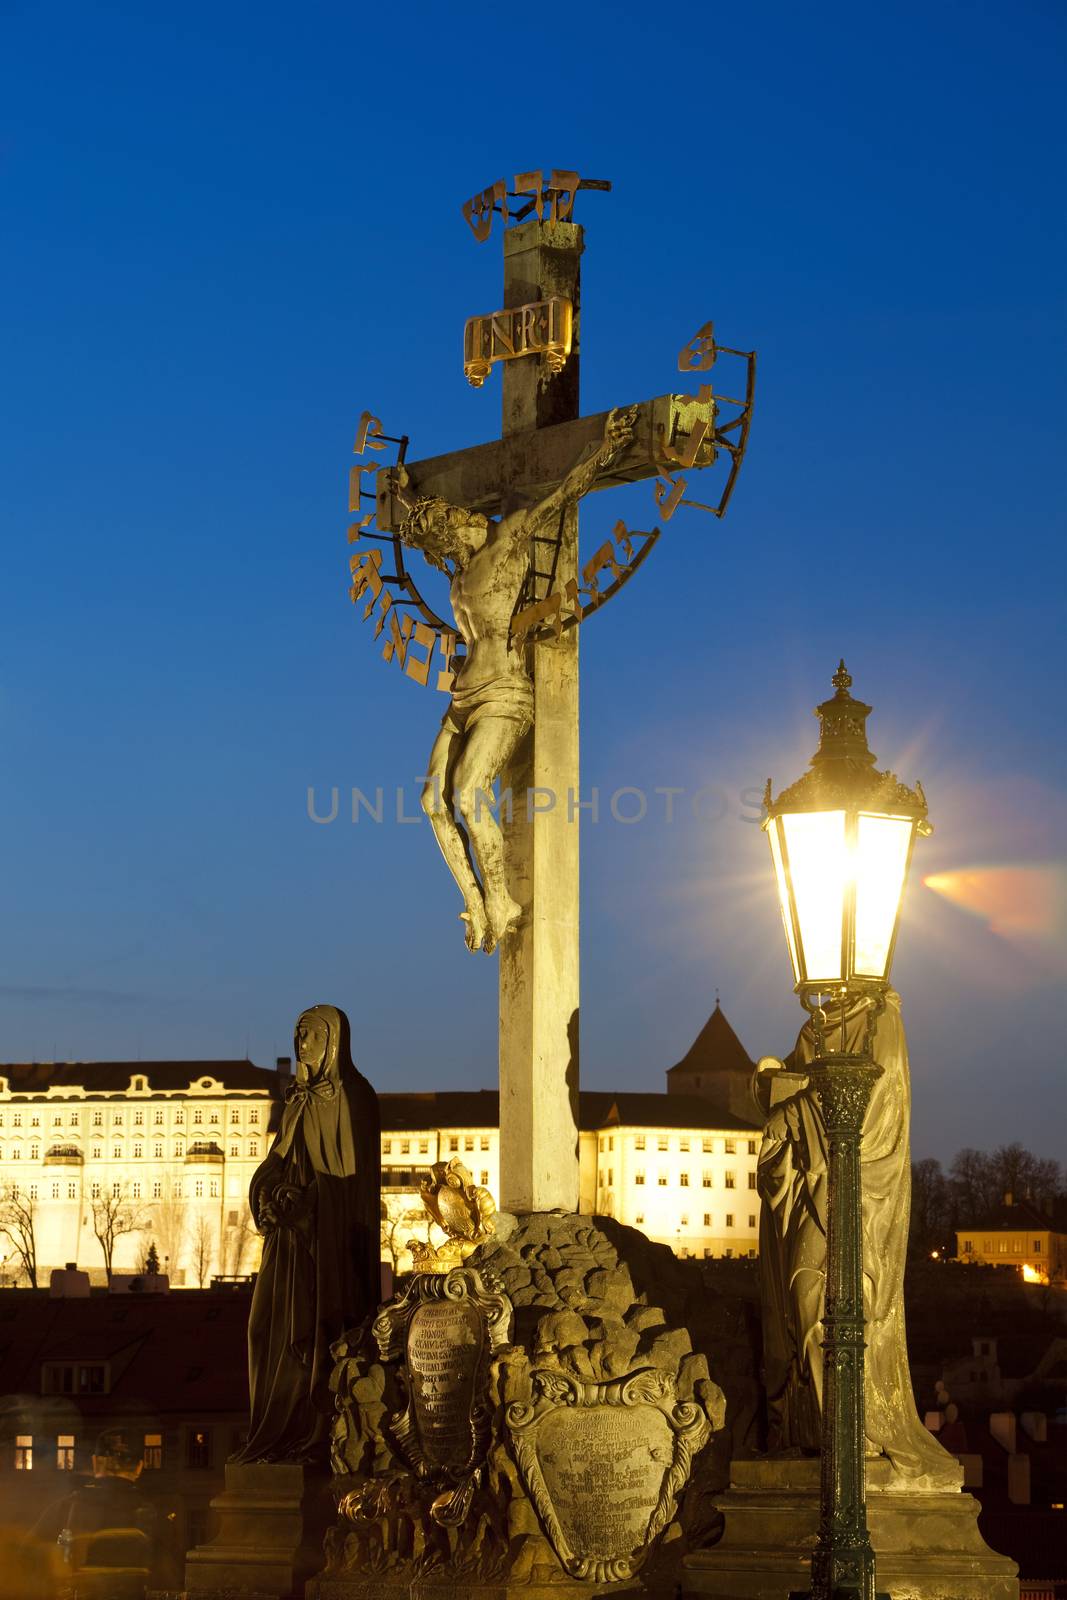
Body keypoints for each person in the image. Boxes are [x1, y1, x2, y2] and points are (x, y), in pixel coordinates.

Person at [403, 406, 637, 954]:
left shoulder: (507, 540)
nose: (449, 541)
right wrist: (407, 497)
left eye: (448, 530)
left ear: (460, 522)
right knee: (430, 800)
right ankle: (478, 902)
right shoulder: (456, 571)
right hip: (464, 694)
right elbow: (422, 522)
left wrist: (603, 452)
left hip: (506, 690)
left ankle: (502, 896)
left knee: (467, 791)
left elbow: (560, 497)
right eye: (439, 542)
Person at [755, 990, 959, 1488]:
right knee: (801, 1299)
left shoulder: (881, 1021)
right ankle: (818, 1427)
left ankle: (850, 1432)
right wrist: (772, 1090)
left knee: (827, 1302)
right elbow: (806, 1086)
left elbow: (879, 1109)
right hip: (815, 1184)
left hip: (859, 1194)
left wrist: (797, 1109)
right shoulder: (814, 1028)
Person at [233, 1004, 380, 1464]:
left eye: (310, 1034)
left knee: (312, 1336)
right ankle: (270, 1434)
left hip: (326, 1245)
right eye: (297, 1033)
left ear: (333, 1039)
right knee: (262, 1329)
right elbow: (275, 1162)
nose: (301, 1043)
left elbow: (351, 1180)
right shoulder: (295, 1099)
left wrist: (312, 1203)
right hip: (287, 1240)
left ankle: (312, 1432)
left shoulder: (354, 1095)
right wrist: (271, 1193)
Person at [23, 1428, 168, 1598]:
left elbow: (25, 1560)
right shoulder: (156, 1515)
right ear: (139, 1467)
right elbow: (169, 1575)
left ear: (95, 1462)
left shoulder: (65, 1508)